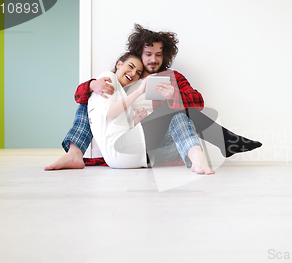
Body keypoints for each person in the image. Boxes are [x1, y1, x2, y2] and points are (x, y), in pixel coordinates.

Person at [45, 24, 261, 172]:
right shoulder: (125, 77)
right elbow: (81, 96)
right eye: (148, 54)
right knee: (87, 101)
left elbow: (198, 101)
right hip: (127, 142)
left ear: (165, 55)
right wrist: (93, 84)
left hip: (162, 142)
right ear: (139, 53)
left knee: (176, 111)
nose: (153, 59)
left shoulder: (171, 77)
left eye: (158, 54)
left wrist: (174, 95)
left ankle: (219, 145)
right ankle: (74, 153)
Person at [86, 52, 214, 173]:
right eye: (130, 66)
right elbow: (108, 113)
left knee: (180, 116)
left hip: (133, 157)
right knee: (171, 109)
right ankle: (216, 143)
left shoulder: (122, 93)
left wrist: (137, 119)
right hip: (121, 152)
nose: (133, 73)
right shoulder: (108, 78)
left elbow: (120, 125)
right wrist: (139, 91)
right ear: (119, 64)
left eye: (138, 72)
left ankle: (197, 155)